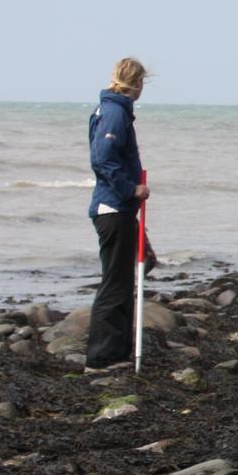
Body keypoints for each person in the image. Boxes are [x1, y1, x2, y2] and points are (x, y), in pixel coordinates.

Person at [85, 58, 151, 369]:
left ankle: (119, 350)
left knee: (129, 274)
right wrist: (130, 189)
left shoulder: (117, 110)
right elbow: (102, 157)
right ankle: (102, 357)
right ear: (137, 83)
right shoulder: (113, 112)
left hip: (121, 210)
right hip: (113, 207)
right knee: (114, 282)